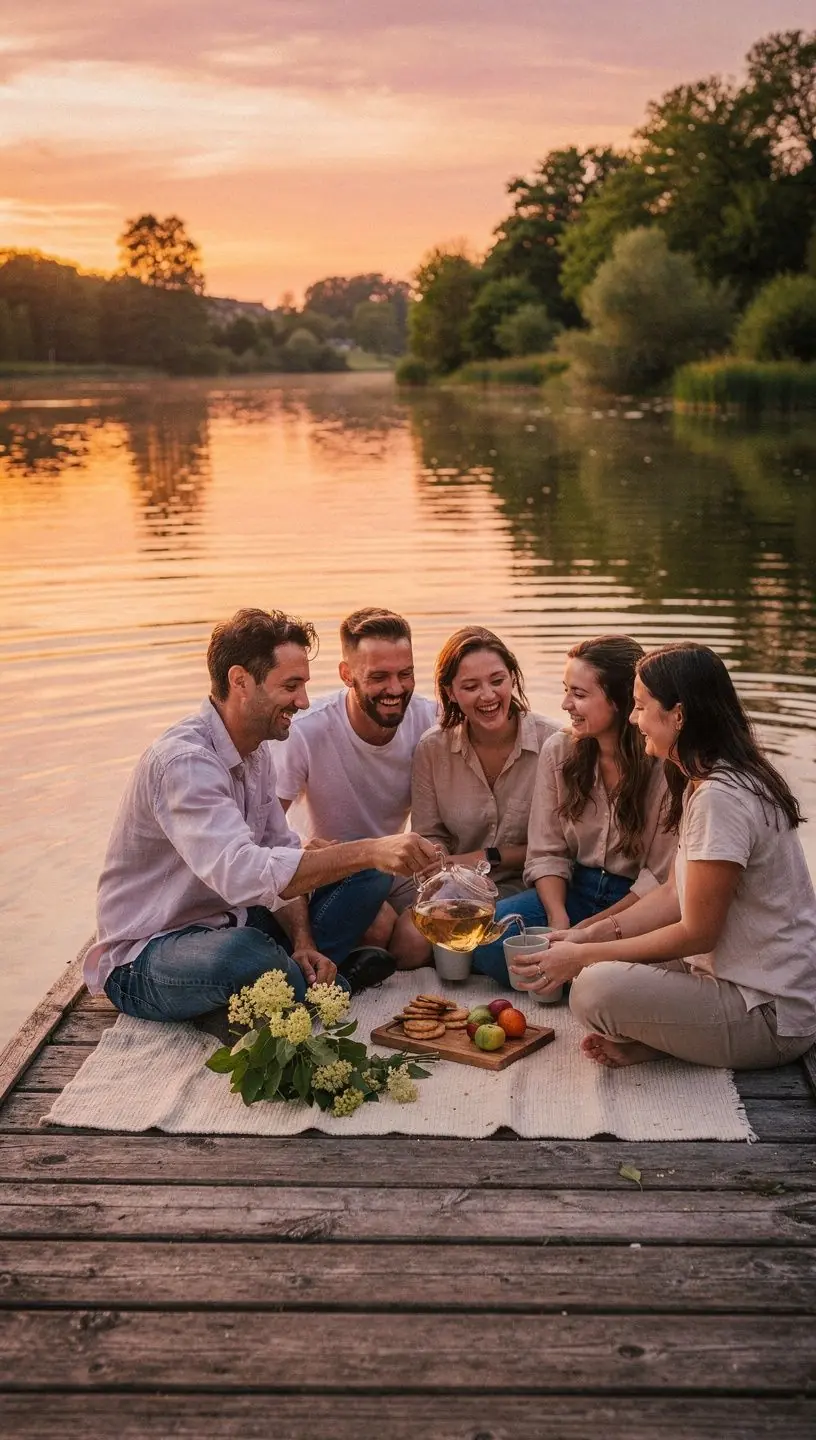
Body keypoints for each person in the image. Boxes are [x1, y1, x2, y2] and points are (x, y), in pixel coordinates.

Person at [84, 608, 439, 1023]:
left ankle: (292, 976)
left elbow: (279, 850)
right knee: (244, 956)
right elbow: (243, 874)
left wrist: (304, 940)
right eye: (291, 686)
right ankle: (322, 987)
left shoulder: (257, 750)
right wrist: (370, 849)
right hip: (150, 953)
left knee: (368, 875)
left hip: (234, 921)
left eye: (304, 685)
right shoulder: (185, 763)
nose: (303, 701)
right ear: (240, 682)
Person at [512, 642, 816, 1071]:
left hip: (769, 1014)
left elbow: (698, 934)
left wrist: (584, 959)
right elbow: (675, 894)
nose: (633, 720)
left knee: (593, 989)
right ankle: (667, 1040)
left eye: (640, 707)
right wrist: (588, 936)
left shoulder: (721, 798)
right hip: (731, 981)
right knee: (595, 966)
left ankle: (675, 1039)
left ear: (678, 715)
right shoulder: (708, 778)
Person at [469, 634, 676, 984]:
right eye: (567, 690)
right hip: (572, 890)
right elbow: (547, 851)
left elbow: (658, 879)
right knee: (485, 942)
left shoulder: (665, 764)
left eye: (579, 694)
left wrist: (587, 935)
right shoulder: (559, 751)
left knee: (636, 969)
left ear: (623, 701)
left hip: (636, 905)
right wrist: (559, 921)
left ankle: (592, 975)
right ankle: (585, 974)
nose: (565, 704)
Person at [272, 606, 437, 959]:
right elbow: (264, 828)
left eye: (405, 674)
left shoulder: (430, 718)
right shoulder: (305, 731)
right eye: (379, 677)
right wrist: (302, 845)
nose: (395, 688)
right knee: (379, 924)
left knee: (437, 922)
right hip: (328, 874)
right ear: (347, 674)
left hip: (394, 865)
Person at [403, 626, 560, 967]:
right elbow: (430, 834)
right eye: (471, 687)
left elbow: (563, 847)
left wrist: (487, 856)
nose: (488, 696)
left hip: (533, 885)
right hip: (456, 885)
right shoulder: (433, 748)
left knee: (485, 949)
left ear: (512, 679)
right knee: (408, 944)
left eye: (497, 680)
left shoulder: (555, 743)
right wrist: (444, 868)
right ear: (451, 692)